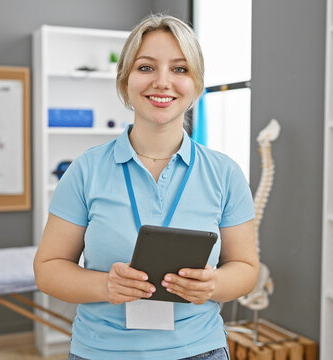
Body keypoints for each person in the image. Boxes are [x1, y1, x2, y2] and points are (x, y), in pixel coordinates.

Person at [34, 14, 259, 360]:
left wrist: (213, 284)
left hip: (199, 350)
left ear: (197, 85)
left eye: (180, 69)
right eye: (146, 67)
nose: (163, 82)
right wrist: (104, 285)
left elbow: (246, 269)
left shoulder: (225, 173)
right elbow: (48, 269)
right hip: (101, 352)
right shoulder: (86, 170)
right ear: (125, 81)